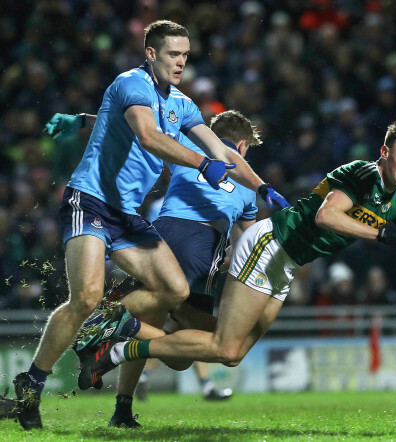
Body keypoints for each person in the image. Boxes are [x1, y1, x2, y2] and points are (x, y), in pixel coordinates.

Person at [2, 20, 288, 431]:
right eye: (173, 54)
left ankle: (114, 331)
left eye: (186, 55)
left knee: (173, 288)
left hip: (128, 214)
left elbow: (220, 148)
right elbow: (150, 135)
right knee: (85, 297)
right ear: (151, 53)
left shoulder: (185, 105)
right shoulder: (130, 82)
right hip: (91, 200)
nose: (181, 62)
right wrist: (203, 163)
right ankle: (34, 380)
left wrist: (262, 188)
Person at [75, 119, 396, 390]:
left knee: (233, 354)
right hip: (270, 244)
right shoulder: (361, 174)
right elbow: (329, 217)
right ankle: (115, 350)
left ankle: (157, 325)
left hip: (287, 266)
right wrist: (381, 232)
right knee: (224, 346)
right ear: (385, 152)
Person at [48, 109, 260, 425]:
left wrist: (81, 120)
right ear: (243, 145)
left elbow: (135, 125)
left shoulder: (187, 149)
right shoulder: (248, 184)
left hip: (163, 233)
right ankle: (115, 326)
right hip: (200, 246)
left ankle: (121, 406)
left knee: (165, 337)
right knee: (196, 350)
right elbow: (246, 249)